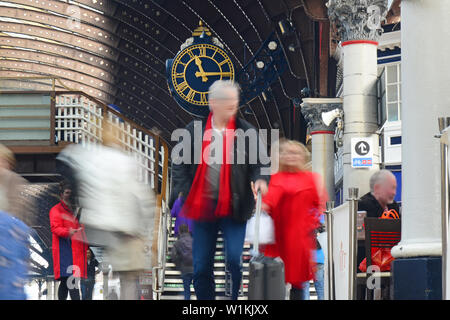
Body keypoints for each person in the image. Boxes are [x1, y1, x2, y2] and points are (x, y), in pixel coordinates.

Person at [169, 80, 270, 300]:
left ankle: (234, 299)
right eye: (228, 100)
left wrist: (261, 179)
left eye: (235, 100)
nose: (233, 104)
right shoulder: (193, 130)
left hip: (235, 206)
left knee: (234, 259)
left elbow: (261, 163)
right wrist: (184, 190)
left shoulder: (246, 131)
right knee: (201, 265)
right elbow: (178, 163)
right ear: (212, 103)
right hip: (203, 208)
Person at [59, 121, 156, 300]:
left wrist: (76, 204)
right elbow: (140, 197)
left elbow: (66, 159)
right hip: (123, 228)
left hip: (98, 229)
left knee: (110, 267)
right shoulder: (125, 161)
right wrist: (147, 227)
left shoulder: (92, 158)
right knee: (128, 275)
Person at [260, 139, 326, 300]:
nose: (291, 156)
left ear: (303, 156)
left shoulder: (311, 179)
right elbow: (269, 203)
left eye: (295, 153)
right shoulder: (275, 178)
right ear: (281, 157)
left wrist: (310, 223)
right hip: (278, 237)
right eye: (287, 153)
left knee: (298, 281)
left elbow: (321, 204)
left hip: (299, 238)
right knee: (277, 281)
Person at [49, 182, 87, 300]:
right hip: (65, 251)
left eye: (70, 193)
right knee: (71, 281)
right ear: (61, 194)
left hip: (70, 251)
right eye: (67, 192)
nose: (69, 195)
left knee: (67, 282)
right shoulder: (57, 210)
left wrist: (79, 230)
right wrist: (68, 232)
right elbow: (55, 228)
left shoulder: (72, 211)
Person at [0, 144, 35, 227]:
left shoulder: (17, 182)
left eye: (2, 161)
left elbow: (21, 212)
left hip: (10, 233)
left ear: (9, 164)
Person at [171, 224, 194, 300]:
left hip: (185, 269)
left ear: (179, 232)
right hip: (195, 268)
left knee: (186, 290)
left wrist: (179, 266)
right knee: (198, 288)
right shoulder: (194, 241)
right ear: (188, 230)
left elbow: (173, 256)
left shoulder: (177, 243)